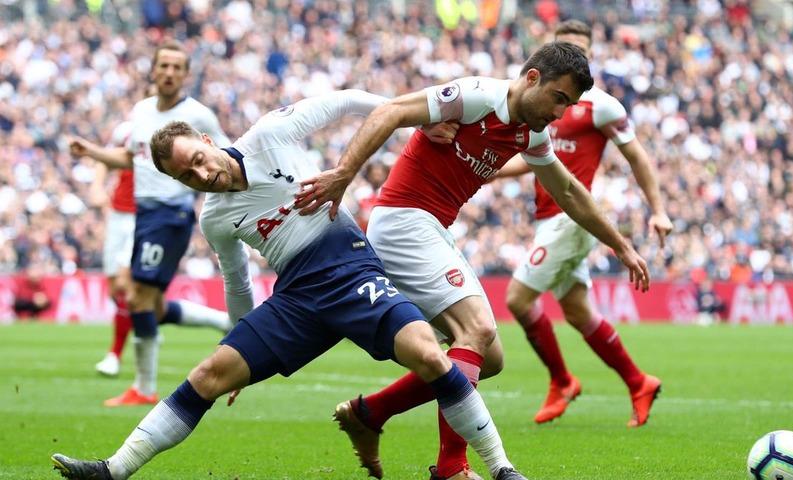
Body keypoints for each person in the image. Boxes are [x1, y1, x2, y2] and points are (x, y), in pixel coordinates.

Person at [51, 90, 528, 480]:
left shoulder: (270, 134)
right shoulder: (216, 219)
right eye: (188, 176)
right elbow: (237, 282)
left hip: (350, 268)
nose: (203, 174)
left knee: (428, 353)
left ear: (206, 138)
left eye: (198, 159)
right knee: (208, 376)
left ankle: (501, 468)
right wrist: (238, 341)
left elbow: (347, 101)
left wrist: (418, 120)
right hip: (297, 296)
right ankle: (113, 470)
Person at [295, 42, 650, 480]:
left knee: (491, 357)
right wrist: (342, 175)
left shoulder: (530, 134)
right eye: (559, 98)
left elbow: (571, 192)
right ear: (532, 78)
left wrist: (622, 245)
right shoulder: (477, 96)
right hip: (404, 219)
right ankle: (453, 467)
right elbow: (389, 112)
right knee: (477, 329)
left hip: (431, 227)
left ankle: (371, 412)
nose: (561, 114)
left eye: (570, 105)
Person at [494, 21, 672, 427]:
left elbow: (638, 157)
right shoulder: (543, 102)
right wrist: (494, 172)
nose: (575, 56)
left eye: (582, 50)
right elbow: (538, 159)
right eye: (566, 48)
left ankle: (561, 381)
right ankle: (638, 381)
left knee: (518, 300)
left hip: (572, 216)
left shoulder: (602, 106)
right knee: (577, 311)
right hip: (547, 218)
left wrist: (658, 209)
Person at [68, 41, 232, 407]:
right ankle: (223, 322)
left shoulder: (199, 116)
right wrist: (91, 151)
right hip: (145, 213)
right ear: (153, 71)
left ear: (186, 74)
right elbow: (130, 158)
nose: (170, 73)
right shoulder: (141, 111)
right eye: (164, 66)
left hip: (170, 213)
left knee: (137, 294)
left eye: (177, 67)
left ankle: (144, 388)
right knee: (152, 307)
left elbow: (226, 156)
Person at [90, 118, 135, 377]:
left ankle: (113, 356)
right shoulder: (125, 129)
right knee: (113, 287)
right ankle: (143, 323)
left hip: (145, 216)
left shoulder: (170, 128)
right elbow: (105, 158)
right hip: (118, 213)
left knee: (123, 284)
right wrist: (97, 187)